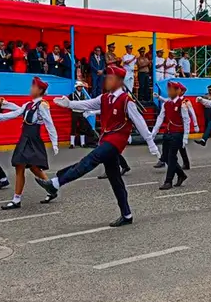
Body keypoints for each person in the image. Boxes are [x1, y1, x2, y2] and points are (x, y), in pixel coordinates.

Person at [37, 65, 160, 227]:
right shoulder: (104, 98)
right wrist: (69, 104)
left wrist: (151, 143)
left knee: (91, 159)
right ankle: (127, 214)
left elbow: (140, 122)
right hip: (106, 139)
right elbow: (87, 104)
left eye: (110, 78)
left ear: (118, 81)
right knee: (116, 180)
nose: (106, 80)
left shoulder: (126, 101)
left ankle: (56, 183)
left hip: (116, 141)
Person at [0, 77, 59, 210]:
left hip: (33, 139)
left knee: (33, 168)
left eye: (33, 87)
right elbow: (14, 113)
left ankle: (44, 191)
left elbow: (49, 123)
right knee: (22, 166)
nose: (31, 89)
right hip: (24, 138)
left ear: (40, 90)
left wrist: (55, 142)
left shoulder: (42, 105)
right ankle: (21, 198)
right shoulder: (28, 105)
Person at [151, 81, 191, 190]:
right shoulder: (166, 104)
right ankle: (181, 174)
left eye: (171, 89)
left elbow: (186, 120)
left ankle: (168, 181)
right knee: (165, 157)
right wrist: (154, 132)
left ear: (177, 91)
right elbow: (160, 118)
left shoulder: (182, 104)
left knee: (172, 157)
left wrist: (185, 137)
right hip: (167, 133)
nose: (169, 92)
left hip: (177, 133)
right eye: (168, 90)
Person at [68, 81, 98, 148]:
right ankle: (72, 144)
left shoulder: (84, 95)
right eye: (79, 86)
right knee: (73, 128)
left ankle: (83, 143)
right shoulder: (72, 95)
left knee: (83, 128)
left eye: (81, 87)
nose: (80, 88)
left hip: (82, 113)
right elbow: (69, 104)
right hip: (75, 112)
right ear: (76, 87)